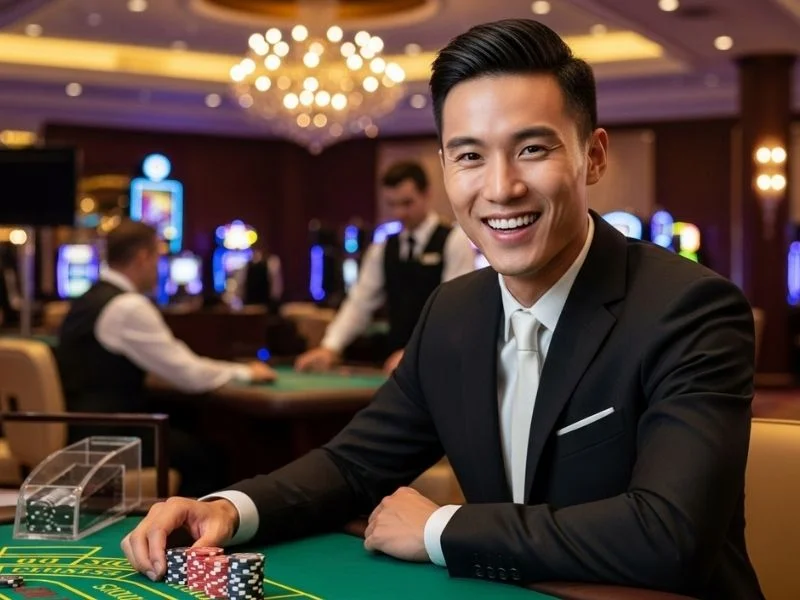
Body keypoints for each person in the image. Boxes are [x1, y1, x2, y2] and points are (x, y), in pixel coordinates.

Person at [122, 19, 763, 599]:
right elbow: (354, 464)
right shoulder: (453, 312)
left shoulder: (691, 310)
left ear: (592, 155)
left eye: (533, 149)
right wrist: (231, 509)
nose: (500, 186)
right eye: (469, 155)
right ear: (446, 168)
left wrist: (440, 529)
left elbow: (668, 536)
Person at [55, 219, 276, 497]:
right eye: (158, 257)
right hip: (108, 436)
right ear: (143, 257)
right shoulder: (128, 306)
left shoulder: (88, 298)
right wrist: (245, 372)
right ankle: (193, 534)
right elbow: (189, 375)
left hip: (82, 430)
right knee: (210, 457)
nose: (160, 268)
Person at [294, 161, 476, 374]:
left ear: (427, 194)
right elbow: (359, 303)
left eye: (407, 203)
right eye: (392, 204)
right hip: (394, 366)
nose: (400, 213)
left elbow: (455, 311)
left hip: (442, 363)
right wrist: (330, 347)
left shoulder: (454, 240)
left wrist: (416, 352)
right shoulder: (382, 248)